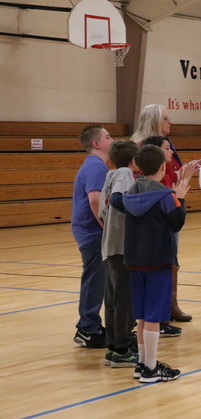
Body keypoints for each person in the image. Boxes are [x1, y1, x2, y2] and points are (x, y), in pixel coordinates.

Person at [111, 144, 189, 383]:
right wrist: (181, 198)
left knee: (142, 315)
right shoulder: (166, 196)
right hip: (158, 260)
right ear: (163, 166)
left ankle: (142, 364)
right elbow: (176, 223)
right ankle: (151, 368)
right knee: (154, 315)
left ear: (137, 167)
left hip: (134, 260)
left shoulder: (130, 193)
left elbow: (115, 201)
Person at [131, 104, 201, 322]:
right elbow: (152, 177)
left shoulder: (166, 145)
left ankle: (170, 305)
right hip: (158, 207)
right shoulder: (143, 146)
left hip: (169, 200)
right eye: (165, 118)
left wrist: (184, 172)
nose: (169, 122)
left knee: (171, 257)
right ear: (154, 120)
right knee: (162, 259)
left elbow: (168, 174)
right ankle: (159, 311)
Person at [98, 140, 139, 367]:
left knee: (113, 298)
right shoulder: (124, 173)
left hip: (109, 244)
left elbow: (102, 210)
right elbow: (116, 200)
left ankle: (113, 346)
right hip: (122, 246)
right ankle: (123, 348)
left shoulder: (109, 175)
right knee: (124, 299)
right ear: (134, 160)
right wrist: (139, 210)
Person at [72, 125, 113, 348]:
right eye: (107, 137)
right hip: (93, 231)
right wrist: (107, 228)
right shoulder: (96, 167)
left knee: (99, 278)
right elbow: (95, 200)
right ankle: (87, 328)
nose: (112, 139)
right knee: (95, 278)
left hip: (89, 229)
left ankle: (92, 325)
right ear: (96, 144)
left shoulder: (95, 165)